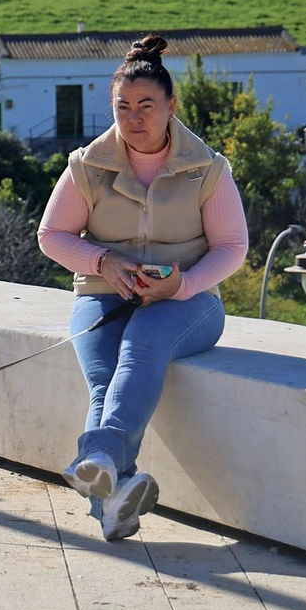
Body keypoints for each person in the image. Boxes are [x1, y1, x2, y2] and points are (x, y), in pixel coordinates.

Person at [35, 34, 247, 542]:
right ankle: (114, 497)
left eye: (146, 105)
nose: (133, 117)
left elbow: (233, 246)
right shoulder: (87, 165)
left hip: (190, 302)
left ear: (172, 106)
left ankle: (100, 457)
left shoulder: (208, 168)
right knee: (105, 381)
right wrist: (103, 261)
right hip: (102, 296)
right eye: (122, 106)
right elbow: (51, 236)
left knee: (141, 347)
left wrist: (183, 285)